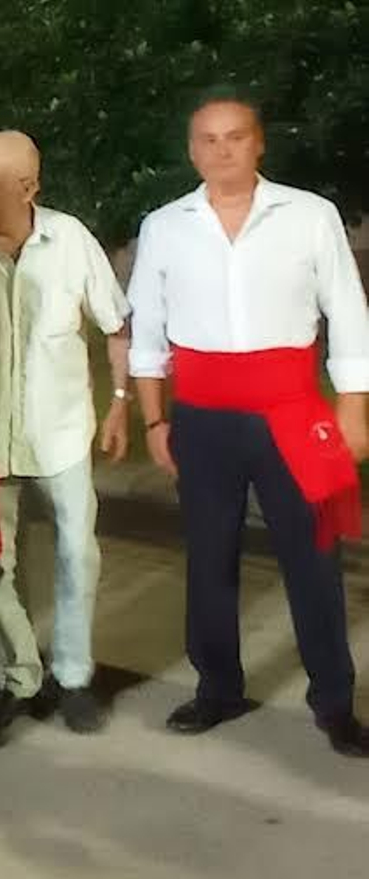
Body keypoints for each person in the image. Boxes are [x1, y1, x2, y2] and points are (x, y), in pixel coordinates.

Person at [128, 90, 369, 757]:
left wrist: (353, 408)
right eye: (208, 139)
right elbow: (148, 330)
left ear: (259, 142)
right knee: (209, 559)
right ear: (192, 150)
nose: (222, 150)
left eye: (235, 136)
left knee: (313, 558)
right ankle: (218, 687)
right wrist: (154, 419)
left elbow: (349, 312)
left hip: (292, 413)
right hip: (203, 421)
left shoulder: (309, 216)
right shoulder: (165, 226)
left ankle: (334, 702)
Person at [0, 131, 132, 736]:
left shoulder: (71, 240)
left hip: (60, 431)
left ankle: (75, 676)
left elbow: (116, 326)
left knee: (77, 554)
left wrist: (119, 404)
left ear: (29, 187)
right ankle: (21, 676)